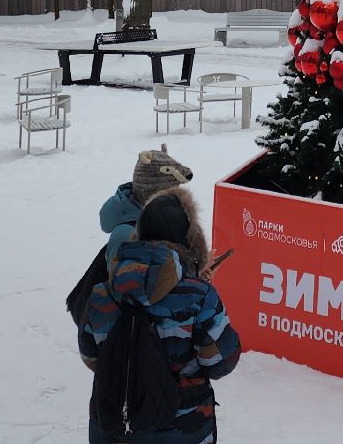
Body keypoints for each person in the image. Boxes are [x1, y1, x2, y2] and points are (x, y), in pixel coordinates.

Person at [79, 189, 239, 443]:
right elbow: (221, 361)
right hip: (184, 427)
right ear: (188, 241)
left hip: (115, 425)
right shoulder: (199, 296)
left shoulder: (102, 291)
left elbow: (91, 357)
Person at [101, 148, 200, 270]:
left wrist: (197, 275)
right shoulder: (125, 235)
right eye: (170, 197)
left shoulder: (163, 221)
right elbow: (126, 285)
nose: (175, 204)